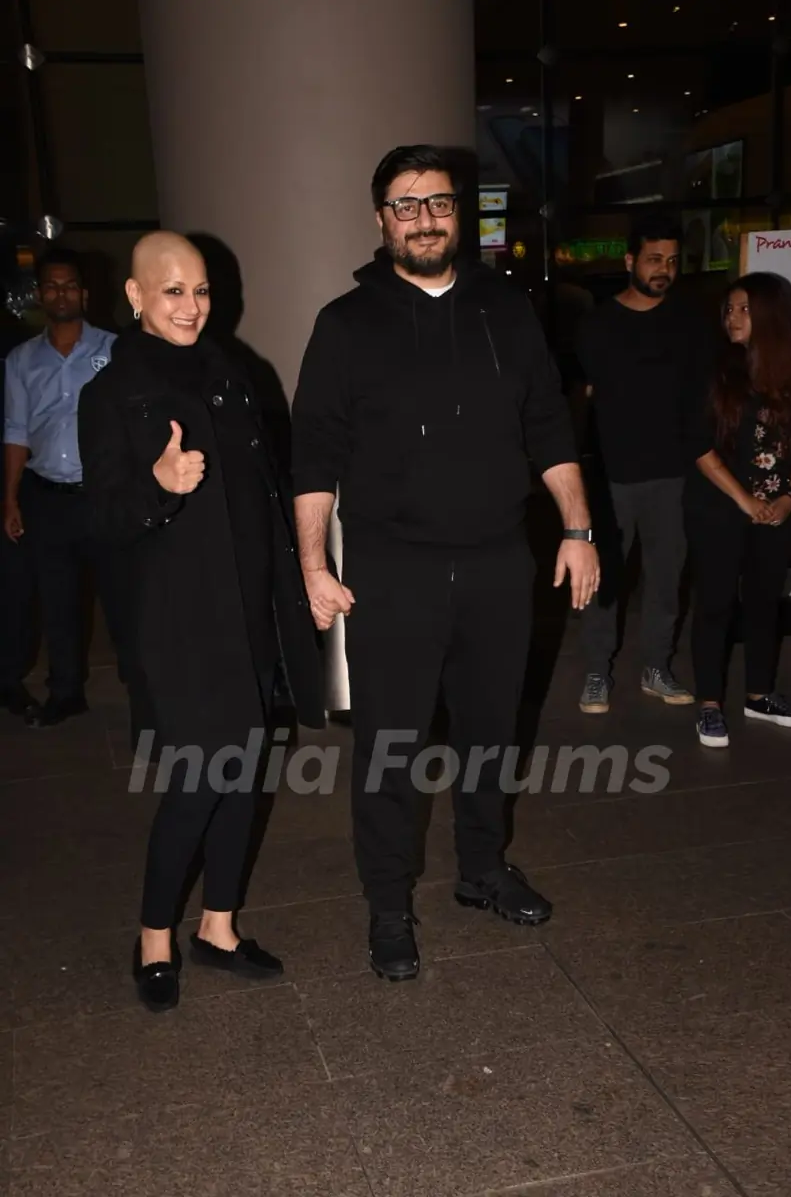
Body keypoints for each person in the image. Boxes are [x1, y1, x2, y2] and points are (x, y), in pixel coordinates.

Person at [292, 144, 599, 982]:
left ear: (459, 212)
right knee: (390, 747)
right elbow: (313, 458)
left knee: (491, 736)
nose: (424, 218)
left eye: (438, 203)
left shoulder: (507, 309)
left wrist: (578, 529)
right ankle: (388, 903)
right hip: (395, 571)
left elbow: (548, 426)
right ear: (380, 218)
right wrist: (316, 569)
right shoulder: (346, 324)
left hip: (501, 560)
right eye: (405, 204)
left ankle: (482, 870)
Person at [78, 232, 325, 1012]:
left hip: (251, 609)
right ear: (137, 296)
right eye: (174, 290)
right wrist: (158, 482)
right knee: (198, 781)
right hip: (180, 622)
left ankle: (218, 926)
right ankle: (155, 935)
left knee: (247, 777)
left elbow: (266, 497)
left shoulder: (233, 374)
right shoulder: (112, 393)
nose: (191, 306)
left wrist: (304, 581)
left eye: (203, 291)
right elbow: (105, 519)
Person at [574, 214, 710, 715]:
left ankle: (656, 665)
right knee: (603, 580)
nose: (664, 269)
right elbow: (580, 395)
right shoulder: (597, 324)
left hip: (673, 474)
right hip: (611, 475)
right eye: (655, 259)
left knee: (666, 578)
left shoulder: (690, 322)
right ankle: (595, 671)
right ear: (631, 261)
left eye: (673, 261)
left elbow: (702, 397)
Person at [2, 247, 125, 727]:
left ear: (85, 294)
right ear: (39, 295)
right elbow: (15, 430)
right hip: (46, 496)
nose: (60, 293)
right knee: (57, 600)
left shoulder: (113, 350)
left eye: (69, 285)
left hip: (102, 496)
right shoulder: (20, 360)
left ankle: (146, 691)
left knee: (121, 597)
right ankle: (67, 691)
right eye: (51, 286)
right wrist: (9, 498)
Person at [687, 273, 791, 748]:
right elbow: (698, 447)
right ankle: (709, 704)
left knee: (763, 604)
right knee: (714, 604)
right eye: (729, 309)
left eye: (744, 309)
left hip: (778, 508)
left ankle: (760, 694)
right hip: (720, 505)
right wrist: (744, 500)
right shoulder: (716, 369)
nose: (732, 318)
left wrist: (788, 496)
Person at [0, 296, 38, 718]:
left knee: (18, 591)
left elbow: (17, 428)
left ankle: (9, 679)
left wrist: (10, 497)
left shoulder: (14, 351)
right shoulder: (19, 354)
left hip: (26, 481)